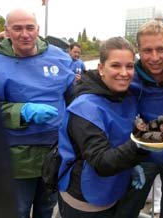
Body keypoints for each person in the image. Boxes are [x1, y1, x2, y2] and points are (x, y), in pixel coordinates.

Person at [0, 9, 74, 218]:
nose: (25, 34)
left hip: (55, 151)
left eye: (30, 28)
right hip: (16, 156)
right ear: (7, 31)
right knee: (18, 210)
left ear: (38, 29)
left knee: (46, 208)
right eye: (17, 28)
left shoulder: (60, 58)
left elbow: (74, 98)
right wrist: (23, 111)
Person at [57, 37, 150, 217]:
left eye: (129, 66)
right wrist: (140, 146)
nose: (124, 73)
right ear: (101, 68)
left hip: (114, 189)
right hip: (85, 199)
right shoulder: (85, 107)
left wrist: (133, 164)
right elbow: (101, 161)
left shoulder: (126, 97)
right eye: (115, 65)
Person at [115, 20, 163, 218]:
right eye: (147, 51)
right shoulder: (129, 78)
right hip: (142, 157)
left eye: (161, 49)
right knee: (127, 211)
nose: (155, 57)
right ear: (138, 50)